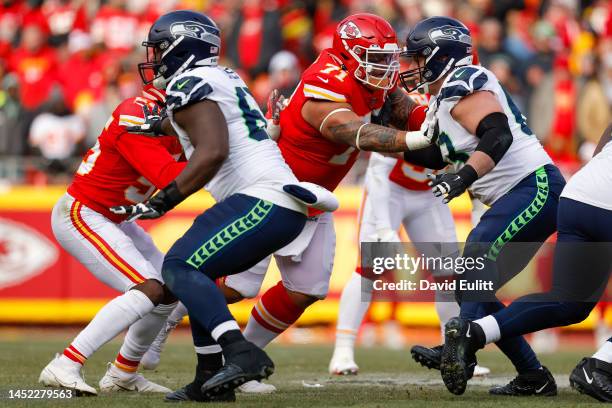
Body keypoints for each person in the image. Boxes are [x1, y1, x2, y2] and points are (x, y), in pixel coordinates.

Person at [136, 12, 429, 395]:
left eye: (389, 59)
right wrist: (415, 140)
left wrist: (441, 123)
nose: (387, 70)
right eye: (376, 60)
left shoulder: (371, 80)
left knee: (306, 290)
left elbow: (409, 111)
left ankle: (240, 362)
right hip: (275, 192)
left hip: (314, 199)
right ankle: (171, 323)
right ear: (348, 55)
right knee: (228, 286)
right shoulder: (324, 83)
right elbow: (352, 131)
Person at [114, 10, 337, 402]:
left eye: (162, 48)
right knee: (203, 273)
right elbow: (217, 127)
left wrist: (165, 199)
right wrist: (163, 125)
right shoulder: (222, 77)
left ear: (183, 48)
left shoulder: (190, 82)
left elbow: (213, 150)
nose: (156, 57)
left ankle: (240, 351)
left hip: (261, 199)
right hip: (278, 202)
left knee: (178, 266)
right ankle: (209, 378)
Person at [400, 17, 565, 396]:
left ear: (443, 54)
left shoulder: (465, 78)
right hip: (517, 193)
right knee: (471, 285)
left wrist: (463, 178)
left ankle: (462, 345)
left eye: (421, 56)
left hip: (533, 185)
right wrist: (371, 136)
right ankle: (532, 375)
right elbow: (433, 153)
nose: (415, 66)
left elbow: (498, 133)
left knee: (476, 255)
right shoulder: (443, 100)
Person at [437, 124, 612, 400]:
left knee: (570, 303)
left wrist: (600, 172)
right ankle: (602, 366)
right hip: (599, 199)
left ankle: (475, 333)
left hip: (580, 193)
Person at [38, 85, 184, 395]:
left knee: (172, 285)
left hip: (116, 216)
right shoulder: (137, 114)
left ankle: (123, 374)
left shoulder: (180, 120)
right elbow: (170, 177)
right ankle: (65, 364)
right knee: (148, 288)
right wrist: (217, 159)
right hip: (84, 212)